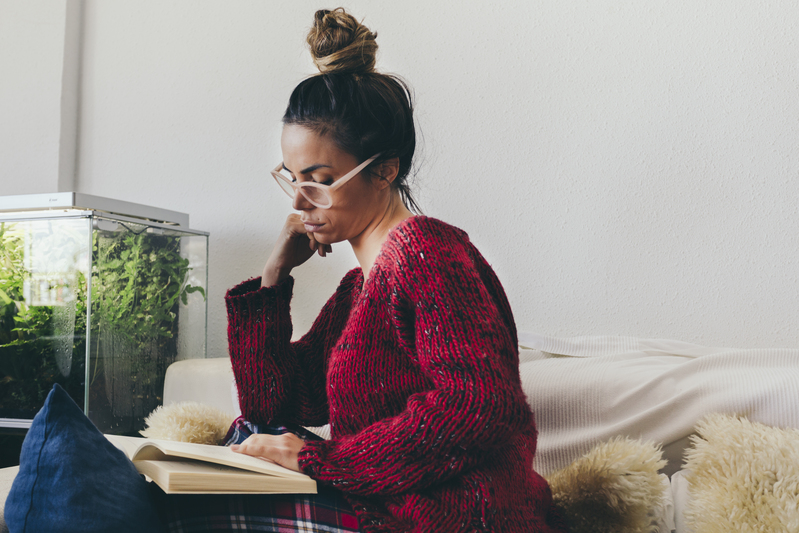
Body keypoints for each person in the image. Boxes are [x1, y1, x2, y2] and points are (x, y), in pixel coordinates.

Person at [163, 8, 567, 533]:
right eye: (292, 178)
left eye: (318, 179)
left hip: (450, 517)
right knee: (234, 446)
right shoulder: (359, 289)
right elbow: (275, 407)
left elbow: (478, 404)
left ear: (384, 170)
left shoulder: (427, 252)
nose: (300, 201)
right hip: (380, 508)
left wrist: (322, 461)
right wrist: (273, 278)